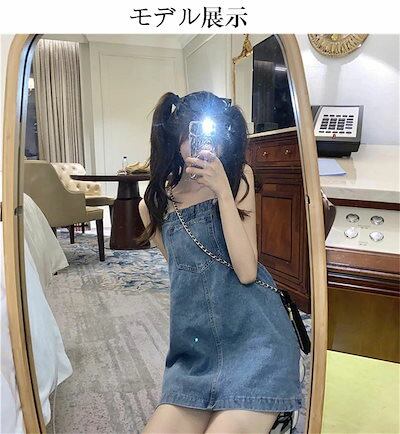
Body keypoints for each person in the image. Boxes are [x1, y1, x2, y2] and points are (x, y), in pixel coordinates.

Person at [137, 91, 302, 433]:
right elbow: (183, 277)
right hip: (196, 351)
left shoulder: (239, 178)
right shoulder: (153, 205)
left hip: (256, 339)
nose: (208, 146)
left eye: (217, 135)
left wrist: (223, 192)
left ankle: (279, 404)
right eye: (195, 135)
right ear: (177, 138)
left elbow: (246, 271)